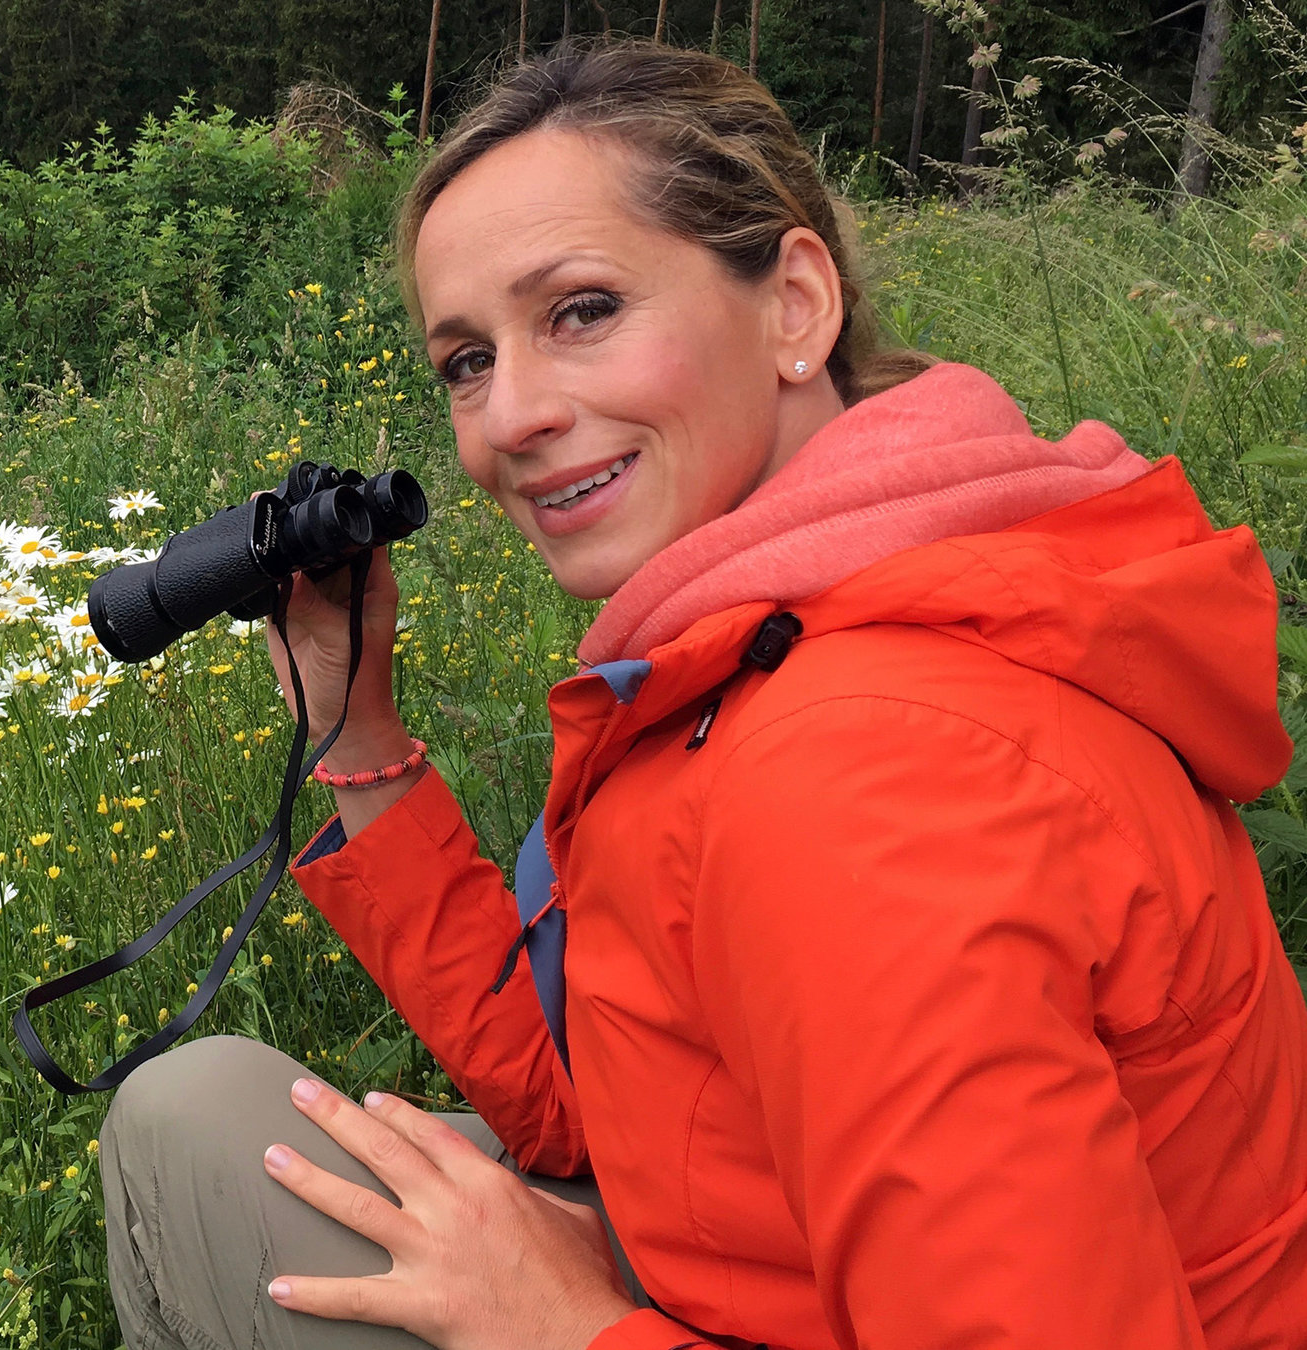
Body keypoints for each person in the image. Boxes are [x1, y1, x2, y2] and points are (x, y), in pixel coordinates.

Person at [96, 38, 1307, 1350]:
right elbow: (605, 1103)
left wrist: (564, 1326)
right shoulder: (818, 616)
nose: (509, 418)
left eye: (582, 311)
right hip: (763, 1271)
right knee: (199, 1111)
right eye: (466, 361)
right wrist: (359, 727)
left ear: (795, 303)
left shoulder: (857, 774)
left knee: (197, 1145)